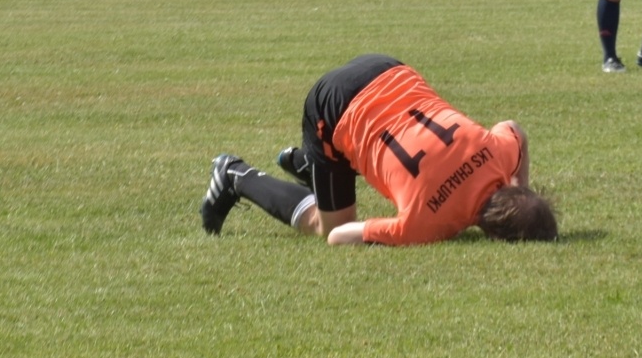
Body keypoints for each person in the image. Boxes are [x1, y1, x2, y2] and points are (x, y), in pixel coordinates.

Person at [200, 53, 558, 245]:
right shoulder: (425, 226)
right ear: (495, 235)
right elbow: (340, 236)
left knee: (356, 162)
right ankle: (235, 174)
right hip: (333, 109)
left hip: (386, 68)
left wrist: (516, 185)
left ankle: (312, 167)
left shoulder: (498, 154)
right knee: (326, 225)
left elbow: (515, 130)